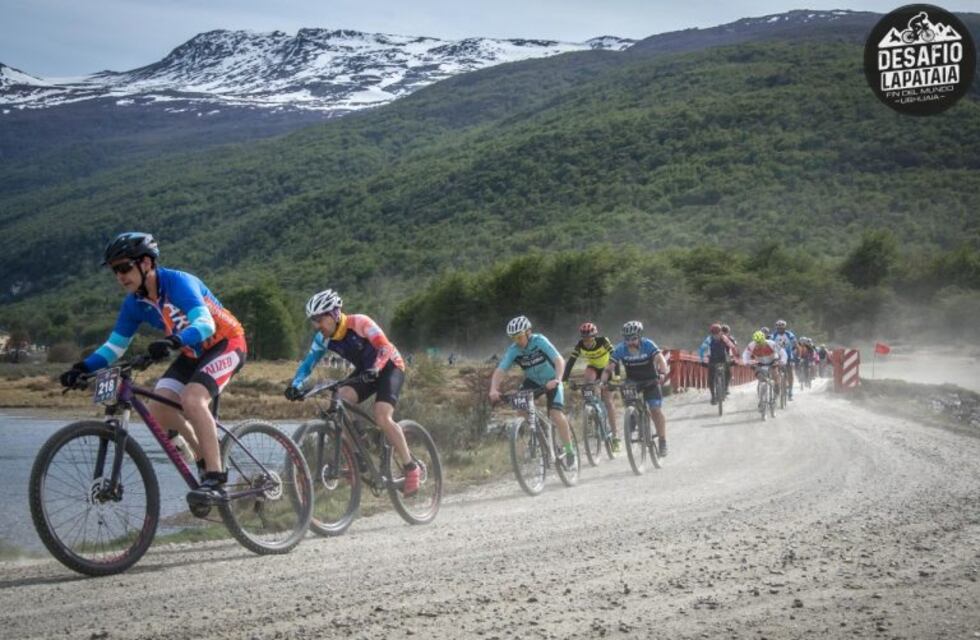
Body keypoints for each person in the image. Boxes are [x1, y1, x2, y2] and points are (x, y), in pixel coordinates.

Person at [58, 232, 247, 506]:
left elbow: (205, 325)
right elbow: (114, 348)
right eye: (115, 271)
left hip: (226, 343)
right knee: (158, 409)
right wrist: (81, 367)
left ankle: (216, 480)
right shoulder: (134, 304)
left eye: (124, 267)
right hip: (192, 351)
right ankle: (203, 458)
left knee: (192, 399)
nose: (120, 276)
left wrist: (172, 340)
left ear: (146, 263)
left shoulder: (178, 282)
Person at [284, 289, 420, 496]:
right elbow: (308, 364)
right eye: (313, 320)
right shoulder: (322, 339)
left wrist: (377, 367)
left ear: (334, 314)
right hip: (366, 371)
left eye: (319, 319)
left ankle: (411, 467)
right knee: (339, 400)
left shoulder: (360, 323)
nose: (316, 325)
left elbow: (383, 347)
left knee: (382, 416)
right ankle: (358, 450)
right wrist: (296, 385)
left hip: (390, 365)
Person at [489, 316, 576, 469]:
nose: (517, 340)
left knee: (555, 414)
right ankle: (538, 434)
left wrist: (557, 379)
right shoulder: (514, 350)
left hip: (551, 379)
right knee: (521, 409)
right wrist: (493, 389)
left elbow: (559, 360)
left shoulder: (540, 341)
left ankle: (570, 451)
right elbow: (500, 370)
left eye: (520, 336)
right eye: (513, 338)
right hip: (533, 381)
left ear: (528, 332)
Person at [605, 321, 670, 457]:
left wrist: (663, 373)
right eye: (627, 339)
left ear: (640, 336)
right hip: (632, 382)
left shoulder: (648, 345)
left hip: (651, 380)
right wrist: (603, 381)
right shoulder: (620, 349)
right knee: (630, 403)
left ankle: (662, 441)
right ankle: (633, 416)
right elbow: (609, 367)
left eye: (633, 338)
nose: (630, 342)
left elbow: (660, 359)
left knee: (655, 410)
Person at [561, 321, 620, 451]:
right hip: (593, 368)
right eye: (584, 339)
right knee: (587, 382)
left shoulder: (603, 341)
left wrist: (617, 376)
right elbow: (570, 362)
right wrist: (564, 380)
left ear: (595, 336)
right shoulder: (580, 345)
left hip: (606, 369)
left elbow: (615, 357)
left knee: (608, 401)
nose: (587, 342)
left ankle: (615, 436)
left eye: (589, 339)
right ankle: (591, 409)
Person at [698, 323, 737, 405]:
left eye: (717, 333)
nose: (716, 335)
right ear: (711, 333)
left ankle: (724, 389)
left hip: (721, 358)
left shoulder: (721, 338)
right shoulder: (711, 339)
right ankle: (713, 396)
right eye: (714, 333)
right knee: (711, 377)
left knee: (727, 373)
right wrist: (702, 360)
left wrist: (734, 358)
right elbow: (702, 350)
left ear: (720, 332)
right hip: (714, 359)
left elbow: (732, 347)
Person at [770, 319, 798, 400]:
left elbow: (795, 343)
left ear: (785, 328)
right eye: (778, 328)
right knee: (775, 371)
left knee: (790, 373)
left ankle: (790, 392)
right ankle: (777, 386)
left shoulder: (789, 334)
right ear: (776, 328)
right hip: (777, 356)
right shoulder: (773, 335)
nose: (780, 330)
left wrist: (796, 351)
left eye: (781, 328)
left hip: (788, 355)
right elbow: (769, 343)